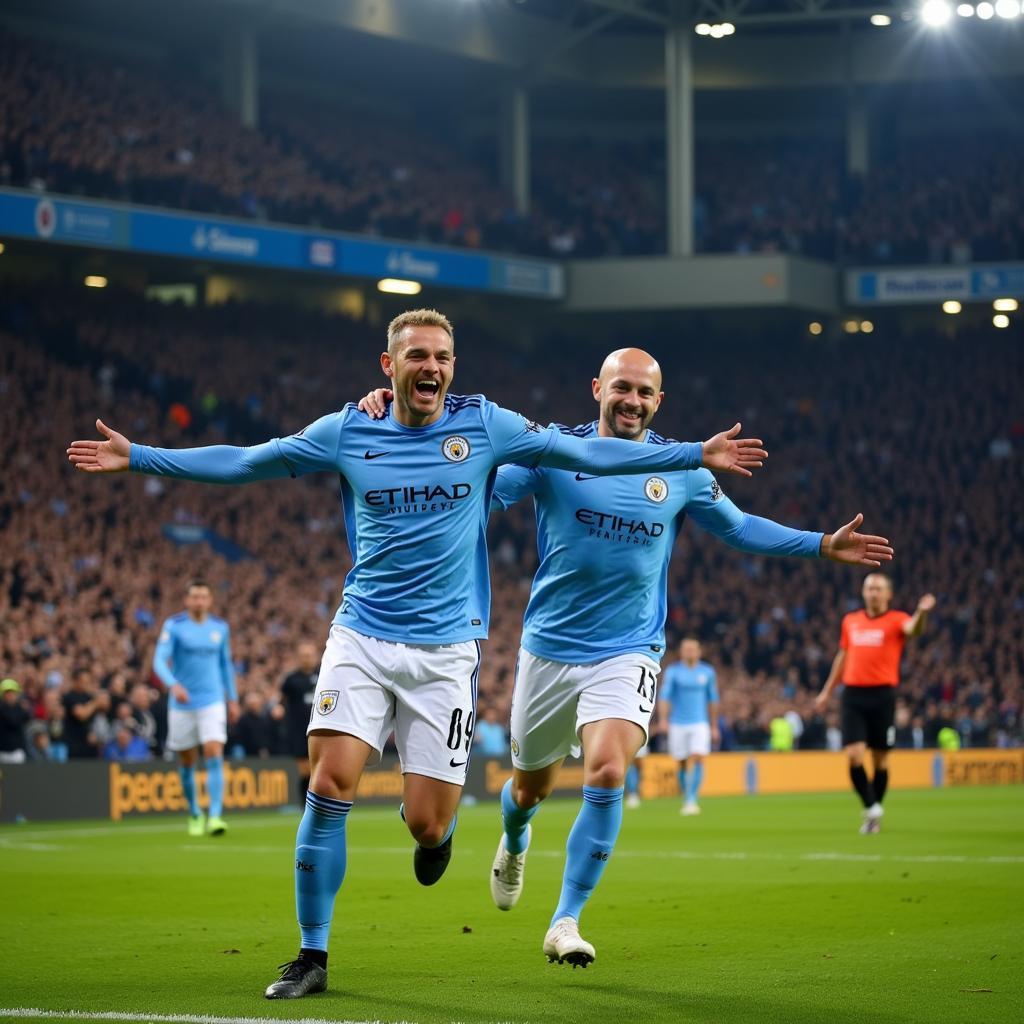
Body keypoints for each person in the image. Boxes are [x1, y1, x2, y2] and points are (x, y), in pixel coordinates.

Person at [68, 309, 764, 1000]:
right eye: (417, 355)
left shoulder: (487, 424)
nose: (430, 366)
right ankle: (312, 953)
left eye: (442, 356)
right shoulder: (348, 429)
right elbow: (251, 461)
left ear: (453, 366)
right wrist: (139, 456)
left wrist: (690, 454)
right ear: (389, 364)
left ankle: (437, 841)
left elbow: (586, 452)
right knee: (329, 783)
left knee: (427, 821)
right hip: (362, 636)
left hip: (446, 652)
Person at [360, 345, 891, 968]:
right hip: (548, 651)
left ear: (658, 401)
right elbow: (473, 489)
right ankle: (514, 835)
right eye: (622, 389)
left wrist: (821, 544)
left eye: (644, 392)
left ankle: (565, 920)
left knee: (609, 770)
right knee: (529, 788)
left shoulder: (683, 472)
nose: (632, 400)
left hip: (628, 649)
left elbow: (740, 527)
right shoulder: (553, 453)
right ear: (597, 389)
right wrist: (394, 417)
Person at [814, 574, 935, 834]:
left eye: (878, 589)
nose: (873, 593)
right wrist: (826, 691)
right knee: (854, 755)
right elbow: (843, 657)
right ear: (863, 592)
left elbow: (914, 629)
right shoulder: (851, 621)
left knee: (880, 761)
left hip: (883, 696)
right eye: (869, 588)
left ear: (888, 594)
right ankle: (871, 806)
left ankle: (873, 815)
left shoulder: (897, 619)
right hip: (853, 695)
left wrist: (922, 613)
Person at [152, 580, 240, 838]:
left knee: (214, 751)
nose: (199, 601)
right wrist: (172, 685)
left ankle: (214, 815)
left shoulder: (220, 628)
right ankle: (194, 811)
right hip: (182, 703)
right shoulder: (174, 626)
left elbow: (225, 665)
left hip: (212, 700)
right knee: (187, 759)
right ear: (187, 601)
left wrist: (232, 699)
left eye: (204, 596)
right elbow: (158, 660)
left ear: (210, 600)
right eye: (195, 597)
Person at [658, 638, 719, 816]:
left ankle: (692, 798)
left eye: (693, 649)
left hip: (700, 723)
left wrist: (714, 726)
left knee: (699, 757)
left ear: (699, 651)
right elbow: (665, 697)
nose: (690, 652)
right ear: (681, 652)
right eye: (686, 649)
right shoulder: (674, 672)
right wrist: (663, 719)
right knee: (682, 761)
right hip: (678, 723)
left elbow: (713, 699)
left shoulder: (707, 672)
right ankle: (687, 796)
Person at [279, 642, 321, 801]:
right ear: (298, 658)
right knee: (305, 770)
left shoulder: (324, 674)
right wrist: (279, 709)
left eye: (309, 655)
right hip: (299, 730)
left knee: (319, 769)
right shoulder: (291, 680)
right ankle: (305, 804)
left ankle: (318, 804)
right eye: (303, 656)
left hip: (321, 728)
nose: (307, 659)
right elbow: (282, 700)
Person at [0, 678, 30, 764]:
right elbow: (13, 721)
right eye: (7, 693)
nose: (10, 695)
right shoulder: (1, 709)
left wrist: (24, 710)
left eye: (12, 693)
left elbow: (28, 718)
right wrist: (23, 711)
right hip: (2, 751)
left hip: (17, 751)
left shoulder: (20, 708)